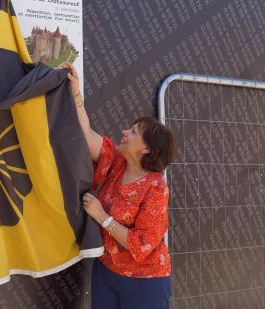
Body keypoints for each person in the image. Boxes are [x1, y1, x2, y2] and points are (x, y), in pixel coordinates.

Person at [59, 62, 175, 309]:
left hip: (145, 281)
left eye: (133, 131)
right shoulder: (117, 162)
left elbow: (142, 245)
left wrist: (102, 217)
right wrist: (75, 94)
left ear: (146, 148)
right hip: (107, 272)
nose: (124, 132)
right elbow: (87, 135)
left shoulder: (155, 187)